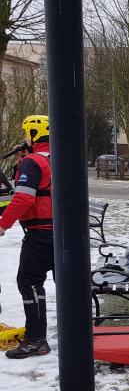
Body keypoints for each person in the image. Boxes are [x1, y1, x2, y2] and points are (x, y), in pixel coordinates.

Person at [0, 115, 54, 359]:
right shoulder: (60, 157)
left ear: (33, 134)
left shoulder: (32, 162)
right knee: (67, 285)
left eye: (25, 134)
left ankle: (36, 340)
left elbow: (23, 198)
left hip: (40, 234)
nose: (23, 139)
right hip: (66, 233)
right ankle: (78, 333)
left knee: (29, 283)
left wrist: (3, 224)